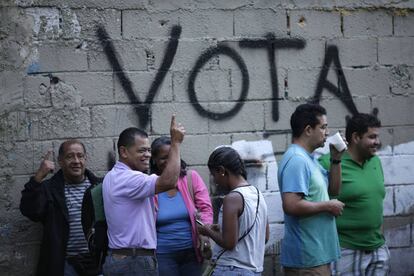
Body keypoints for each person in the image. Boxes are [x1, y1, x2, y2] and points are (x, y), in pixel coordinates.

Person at [102, 115, 185, 275]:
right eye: (141, 150)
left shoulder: (113, 176)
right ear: (123, 152)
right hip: (134, 263)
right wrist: (175, 143)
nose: (147, 155)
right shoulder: (129, 178)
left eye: (148, 150)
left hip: (123, 259)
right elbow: (169, 181)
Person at [277, 103, 345, 275]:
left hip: (317, 257)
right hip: (306, 261)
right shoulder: (297, 160)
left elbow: (334, 191)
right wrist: (328, 206)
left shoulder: (309, 159)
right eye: (323, 127)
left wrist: (336, 160)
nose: (327, 132)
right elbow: (291, 205)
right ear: (308, 130)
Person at [319, 113, 390, 275]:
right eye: (372, 137)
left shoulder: (375, 162)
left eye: (377, 137)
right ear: (356, 137)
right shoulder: (328, 162)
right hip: (345, 251)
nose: (377, 142)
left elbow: (376, 203)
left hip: (378, 250)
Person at [20, 140, 101, 276]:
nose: (76, 161)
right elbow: (30, 212)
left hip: (96, 262)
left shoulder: (99, 187)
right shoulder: (50, 189)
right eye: (70, 156)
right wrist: (38, 177)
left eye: (80, 156)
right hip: (64, 264)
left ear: (85, 159)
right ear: (60, 161)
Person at [198, 146, 269, 276]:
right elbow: (265, 236)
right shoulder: (258, 194)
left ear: (222, 171)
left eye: (214, 175)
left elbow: (229, 243)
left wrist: (206, 230)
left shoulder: (232, 198)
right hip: (254, 270)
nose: (215, 181)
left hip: (231, 270)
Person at [150, 136, 213, 276]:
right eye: (163, 158)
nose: (168, 161)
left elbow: (205, 208)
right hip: (163, 255)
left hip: (192, 253)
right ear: (154, 160)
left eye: (171, 156)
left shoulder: (191, 178)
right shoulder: (149, 184)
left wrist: (204, 233)